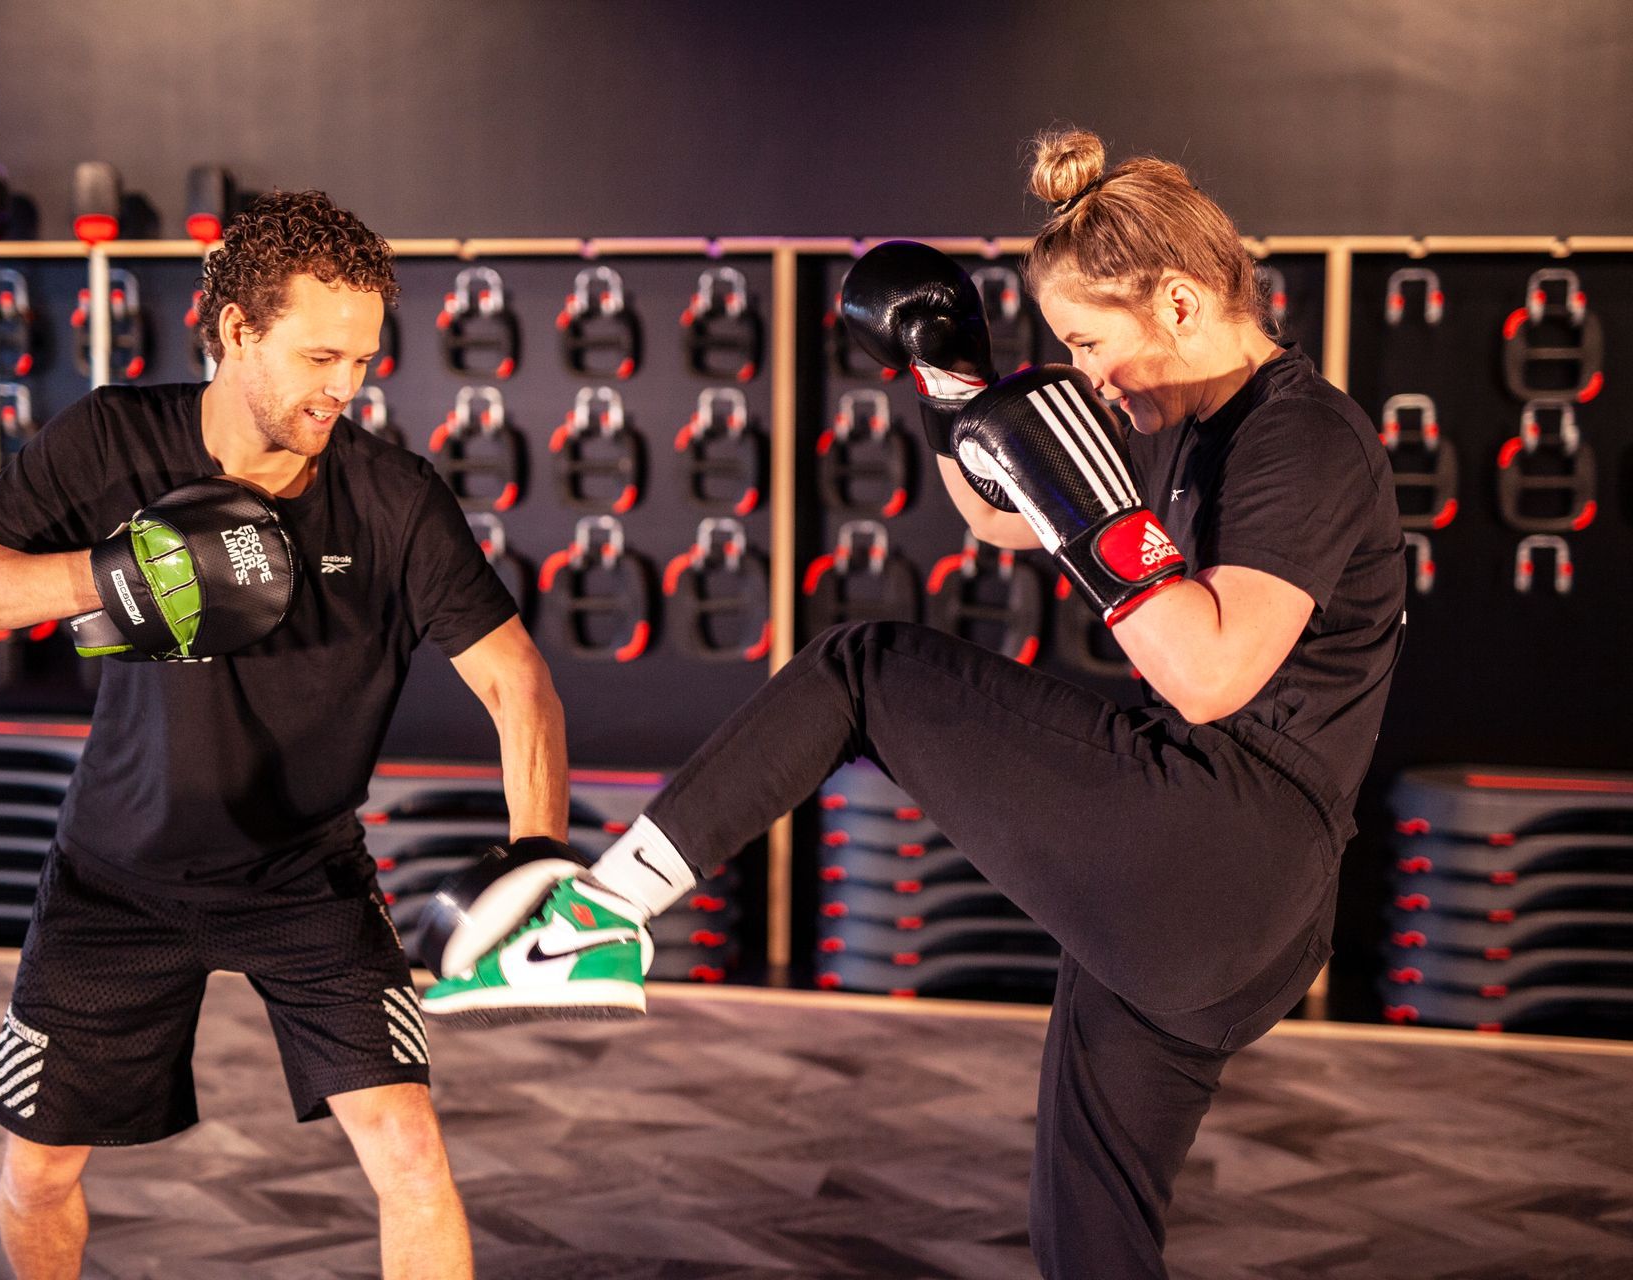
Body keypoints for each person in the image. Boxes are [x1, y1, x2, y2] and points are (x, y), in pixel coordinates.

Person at [423, 128, 1404, 1279]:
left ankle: (593, 920)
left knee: (865, 668)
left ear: (1181, 305)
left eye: (1091, 341)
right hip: (1211, 909)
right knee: (1089, 1219)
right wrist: (951, 377)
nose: (1088, 373)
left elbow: (1209, 669)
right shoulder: (1184, 420)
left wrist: (1085, 508)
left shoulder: (1303, 437)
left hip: (1230, 836)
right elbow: (999, 514)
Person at [0, 190, 565, 1280]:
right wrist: (120, 569)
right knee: (41, 1170)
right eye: (320, 356)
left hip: (307, 870)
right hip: (117, 874)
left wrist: (538, 855)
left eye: (362, 359)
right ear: (236, 329)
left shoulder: (393, 499)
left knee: (409, 1150)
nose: (346, 386)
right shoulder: (114, 438)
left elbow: (519, 682)